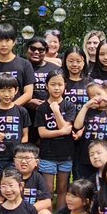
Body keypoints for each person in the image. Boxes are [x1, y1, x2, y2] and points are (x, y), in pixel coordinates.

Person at [34, 69, 76, 204]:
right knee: (48, 190)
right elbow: (42, 133)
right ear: (46, 86)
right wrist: (61, 132)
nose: (56, 88)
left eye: (60, 84)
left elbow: (66, 127)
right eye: (53, 84)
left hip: (66, 154)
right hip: (47, 154)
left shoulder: (69, 106)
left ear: (65, 86)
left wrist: (57, 111)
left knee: (63, 189)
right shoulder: (41, 108)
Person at [73, 82, 107, 181]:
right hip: (88, 156)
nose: (96, 98)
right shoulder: (88, 111)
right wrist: (86, 106)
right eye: (92, 96)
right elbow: (77, 125)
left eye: (99, 94)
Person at [0, 74, 32, 175]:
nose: (6, 94)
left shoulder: (21, 111)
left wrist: (21, 153)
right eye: (2, 91)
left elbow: (25, 134)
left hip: (15, 156)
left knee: (14, 182)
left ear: (16, 90)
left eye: (10, 90)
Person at [0, 23, 35, 109]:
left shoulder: (25, 64)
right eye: (0, 41)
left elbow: (28, 93)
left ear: (14, 42)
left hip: (18, 115)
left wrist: (11, 109)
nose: (3, 44)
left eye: (7, 40)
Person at [24, 36, 61, 118]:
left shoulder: (55, 69)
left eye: (41, 50)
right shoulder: (21, 67)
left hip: (50, 113)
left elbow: (62, 88)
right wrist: (27, 101)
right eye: (33, 49)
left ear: (46, 52)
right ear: (27, 49)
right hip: (26, 113)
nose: (36, 52)